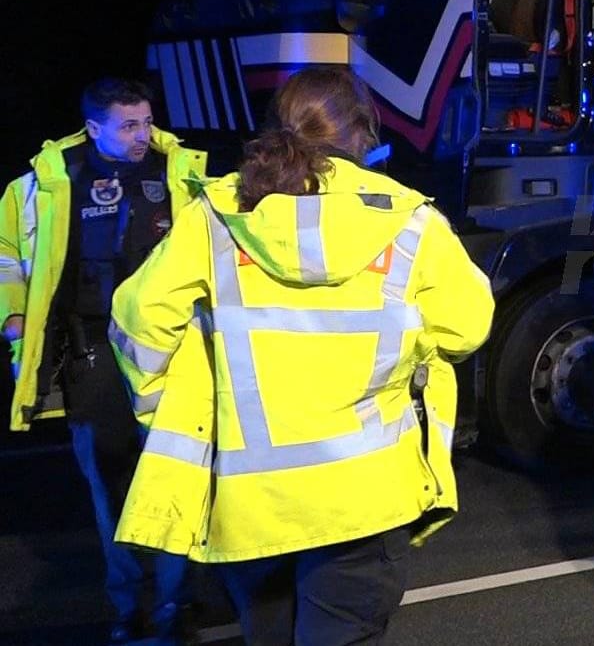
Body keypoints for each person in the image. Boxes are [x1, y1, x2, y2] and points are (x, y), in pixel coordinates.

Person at [107, 67, 494, 644]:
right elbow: (466, 329)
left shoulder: (215, 215)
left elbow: (138, 323)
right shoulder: (411, 221)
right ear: (362, 133)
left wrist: (163, 404)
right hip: (365, 495)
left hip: (250, 500)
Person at [0, 78, 203, 644]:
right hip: (91, 351)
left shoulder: (178, 174)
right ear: (94, 128)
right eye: (129, 125)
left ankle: (172, 605)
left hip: (170, 353)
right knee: (110, 486)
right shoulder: (44, 185)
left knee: (171, 481)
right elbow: (7, 255)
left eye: (147, 121)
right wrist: (13, 320)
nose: (144, 135)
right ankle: (126, 605)